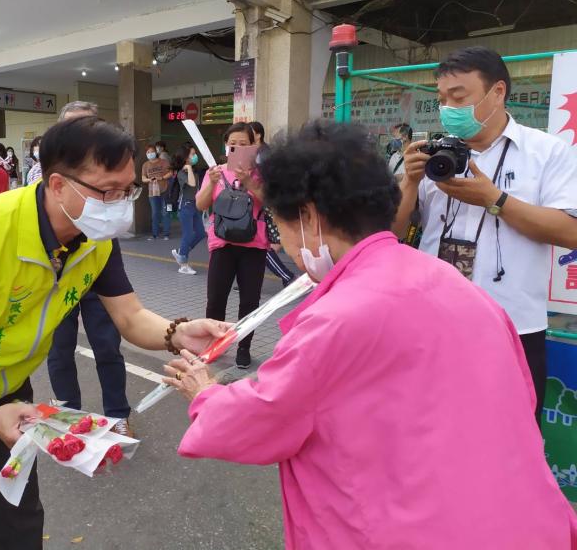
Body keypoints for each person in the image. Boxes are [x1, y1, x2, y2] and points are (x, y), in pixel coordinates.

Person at [165, 120, 577, 549]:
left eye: (278, 222)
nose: (282, 241)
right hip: (518, 521)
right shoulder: (455, 283)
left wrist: (205, 393)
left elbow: (265, 417)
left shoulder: (336, 317)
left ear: (307, 215)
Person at [0, 115, 229, 549]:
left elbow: (130, 316)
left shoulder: (95, 238)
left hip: (7, 383)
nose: (120, 205)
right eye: (107, 192)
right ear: (58, 184)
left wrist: (179, 331)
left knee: (19, 515)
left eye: (128, 191)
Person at [393, 46, 577, 423]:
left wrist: (495, 200)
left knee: (511, 440)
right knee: (430, 433)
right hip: (433, 325)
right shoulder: (435, 156)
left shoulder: (546, 153)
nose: (448, 108)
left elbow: (570, 232)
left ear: (497, 92)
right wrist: (409, 184)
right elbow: (389, 237)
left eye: (459, 97)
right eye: (442, 99)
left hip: (512, 329)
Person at [48, 101, 135, 437]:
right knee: (59, 349)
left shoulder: (105, 202)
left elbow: (132, 317)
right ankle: (68, 413)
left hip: (96, 278)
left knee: (108, 346)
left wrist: (174, 334)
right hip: (57, 283)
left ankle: (117, 414)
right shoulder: (43, 189)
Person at [196, 122, 269, 369]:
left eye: (244, 144)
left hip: (254, 245)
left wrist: (249, 182)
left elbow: (268, 202)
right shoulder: (214, 171)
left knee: (250, 302)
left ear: (253, 146)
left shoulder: (259, 172)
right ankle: (214, 345)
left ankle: (244, 348)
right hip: (222, 244)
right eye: (233, 144)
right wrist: (212, 183)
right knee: (216, 299)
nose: (237, 147)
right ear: (226, 146)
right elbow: (201, 205)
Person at [251, 122, 296, 288]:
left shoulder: (263, 154)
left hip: (266, 202)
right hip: (266, 201)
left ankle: (286, 276)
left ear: (258, 135)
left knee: (261, 245)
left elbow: (267, 178)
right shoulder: (260, 152)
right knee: (267, 244)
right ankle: (250, 279)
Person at [169, 143, 205, 275]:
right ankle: (183, 265)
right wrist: (188, 168)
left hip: (195, 205)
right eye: (193, 154)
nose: (195, 156)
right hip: (185, 205)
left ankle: (182, 253)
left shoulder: (193, 170)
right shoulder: (181, 172)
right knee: (188, 234)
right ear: (186, 157)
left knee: (201, 233)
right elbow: (191, 183)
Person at [141, 143, 171, 240]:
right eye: (148, 152)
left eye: (152, 151)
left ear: (156, 152)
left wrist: (161, 177)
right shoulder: (145, 165)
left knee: (166, 212)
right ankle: (155, 234)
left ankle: (166, 234)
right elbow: (143, 178)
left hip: (164, 190)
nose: (150, 153)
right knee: (155, 213)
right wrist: (149, 180)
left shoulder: (164, 162)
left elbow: (170, 173)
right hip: (152, 192)